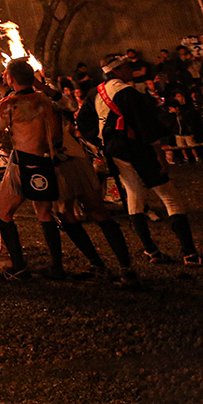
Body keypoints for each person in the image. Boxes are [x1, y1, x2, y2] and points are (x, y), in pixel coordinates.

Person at [82, 54, 203, 266]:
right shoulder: (127, 92)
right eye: (125, 67)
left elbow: (84, 122)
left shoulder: (94, 93)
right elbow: (146, 125)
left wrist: (102, 140)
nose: (130, 70)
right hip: (137, 147)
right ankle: (190, 253)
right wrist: (159, 154)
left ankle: (151, 251)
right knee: (169, 196)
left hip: (115, 150)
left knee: (133, 194)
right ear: (115, 71)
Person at [51, 95, 139, 288]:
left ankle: (113, 266)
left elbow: (71, 105)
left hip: (62, 160)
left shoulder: (41, 101)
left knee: (74, 212)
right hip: (74, 158)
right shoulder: (36, 100)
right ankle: (114, 266)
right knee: (78, 212)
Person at [0, 59, 65, 279]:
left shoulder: (9, 105)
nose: (4, 76)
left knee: (2, 212)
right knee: (44, 213)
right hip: (46, 162)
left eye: (5, 74)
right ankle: (57, 266)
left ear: (12, 78)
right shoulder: (44, 100)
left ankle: (18, 265)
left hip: (23, 164)